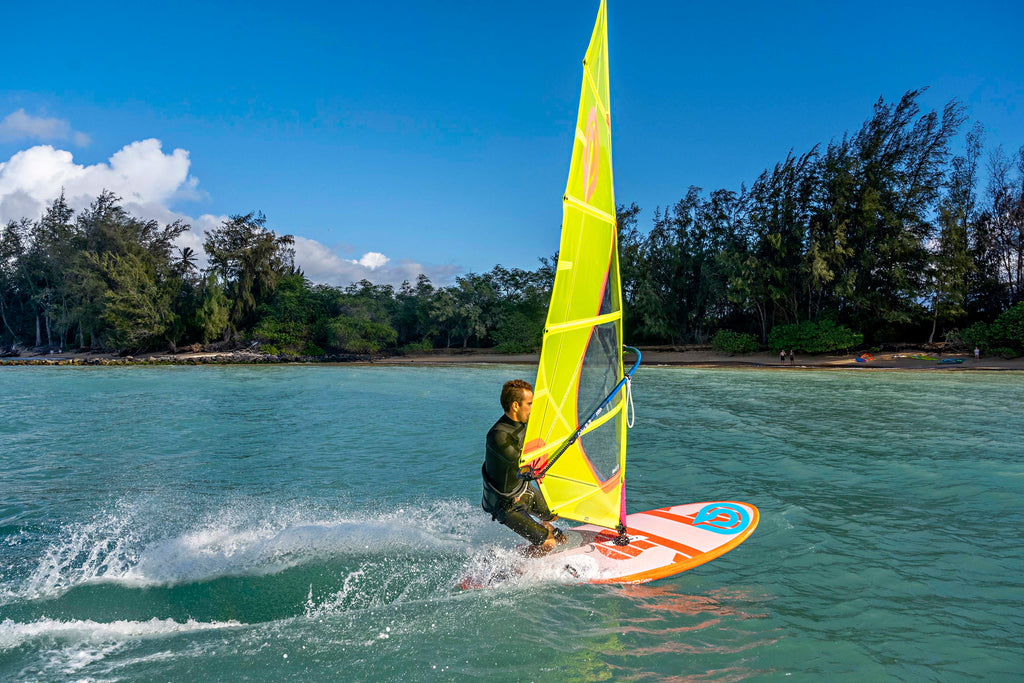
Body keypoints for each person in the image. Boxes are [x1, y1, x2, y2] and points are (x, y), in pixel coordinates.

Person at [481, 379, 564, 553]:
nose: (533, 408)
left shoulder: (527, 424)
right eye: (530, 403)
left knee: (555, 513)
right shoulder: (499, 436)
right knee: (549, 545)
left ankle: (544, 528)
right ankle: (517, 566)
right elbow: (524, 465)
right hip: (506, 504)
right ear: (515, 406)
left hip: (524, 491)